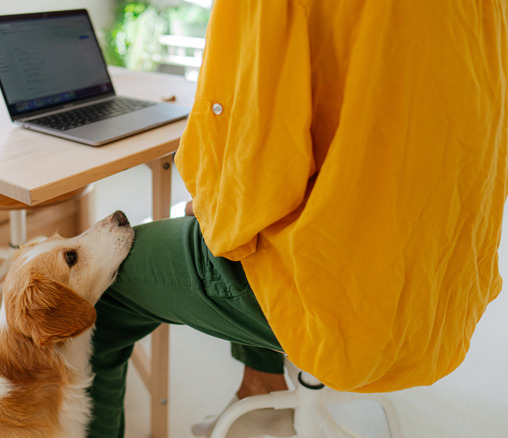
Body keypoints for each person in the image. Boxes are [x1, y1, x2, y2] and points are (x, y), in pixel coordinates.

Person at [87, 1, 508, 437]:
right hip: (446, 271)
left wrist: (213, 202)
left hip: (340, 286)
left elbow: (254, 164)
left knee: (94, 294)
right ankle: (259, 389)